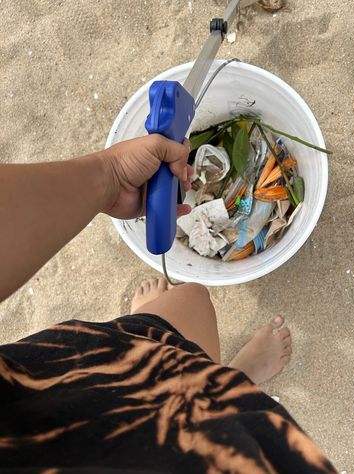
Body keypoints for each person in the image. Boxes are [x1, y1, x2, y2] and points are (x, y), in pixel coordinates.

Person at [0, 135, 335, 473]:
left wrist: (111, 175)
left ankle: (216, 379)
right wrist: (108, 174)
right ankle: (232, 379)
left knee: (190, 302)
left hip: (47, 412)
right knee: (190, 305)